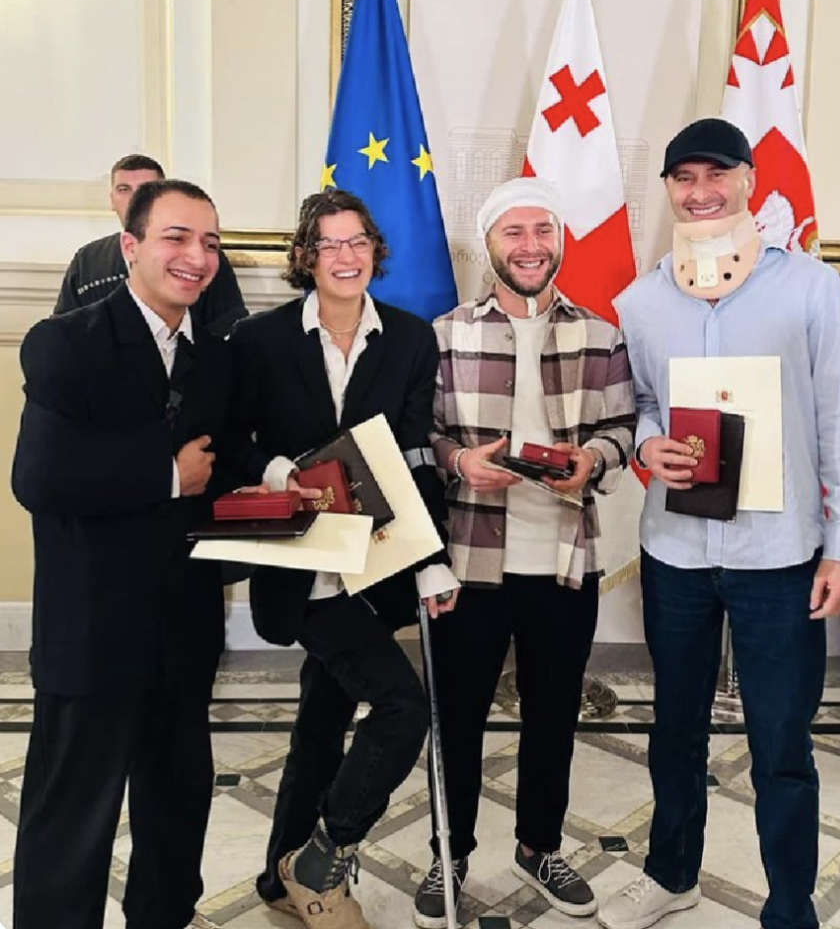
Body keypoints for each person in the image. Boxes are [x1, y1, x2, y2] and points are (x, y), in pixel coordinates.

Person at [598, 118, 840, 929]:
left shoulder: (808, 288)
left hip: (776, 557)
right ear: (669, 189)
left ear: (748, 179)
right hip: (674, 549)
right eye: (684, 178)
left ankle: (788, 906)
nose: (701, 192)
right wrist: (647, 448)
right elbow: (638, 405)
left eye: (717, 175)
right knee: (674, 727)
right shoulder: (640, 301)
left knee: (781, 741)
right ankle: (671, 872)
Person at [12, 179, 244, 929]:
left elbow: (228, 476)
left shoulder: (215, 359)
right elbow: (40, 478)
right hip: (91, 629)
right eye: (178, 237)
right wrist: (166, 473)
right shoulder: (66, 342)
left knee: (177, 806)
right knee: (72, 815)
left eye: (210, 242)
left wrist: (296, 494)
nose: (197, 256)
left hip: (184, 628)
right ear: (132, 245)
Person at [229, 188, 460, 929]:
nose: (346, 256)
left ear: (374, 250)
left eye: (357, 241)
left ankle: (279, 878)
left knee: (320, 723)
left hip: (379, 564)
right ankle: (323, 858)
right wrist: (276, 476)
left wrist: (430, 561)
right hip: (301, 569)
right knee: (401, 707)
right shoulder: (259, 341)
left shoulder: (410, 338)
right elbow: (233, 441)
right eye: (329, 244)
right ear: (305, 257)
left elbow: (419, 454)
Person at [415, 177, 637, 928]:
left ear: (560, 240)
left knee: (552, 716)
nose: (530, 246)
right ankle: (448, 854)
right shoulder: (444, 335)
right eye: (514, 233)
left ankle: (539, 845)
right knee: (457, 719)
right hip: (470, 562)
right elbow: (427, 433)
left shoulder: (601, 334)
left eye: (542, 230)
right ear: (489, 246)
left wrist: (596, 462)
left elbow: (621, 429)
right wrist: (456, 464)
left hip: (565, 561)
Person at [54, 153, 247, 335]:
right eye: (124, 190)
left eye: (146, 189)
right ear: (112, 199)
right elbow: (65, 330)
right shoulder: (88, 259)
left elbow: (229, 324)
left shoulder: (205, 259)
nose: (134, 199)